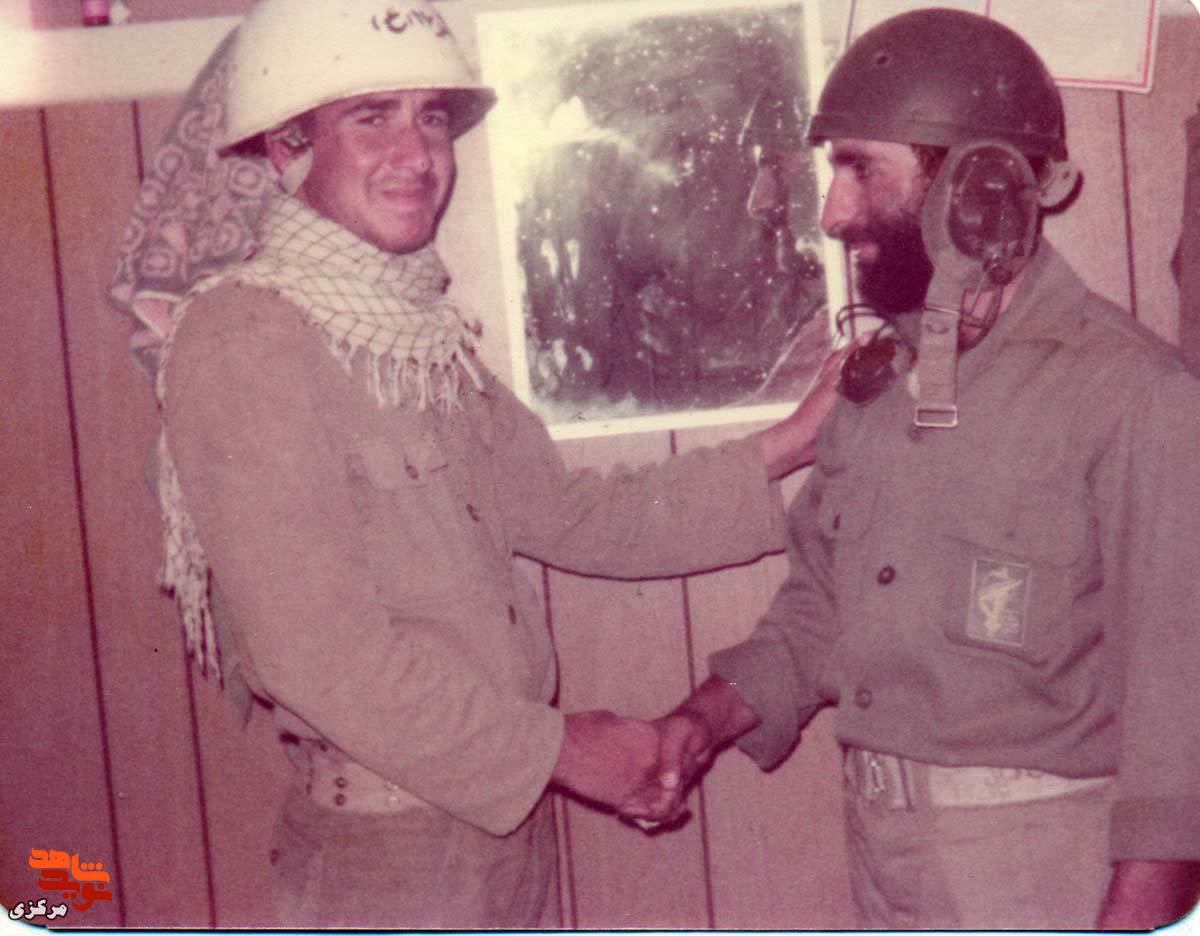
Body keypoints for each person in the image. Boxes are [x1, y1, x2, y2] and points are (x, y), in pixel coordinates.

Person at [107, 0, 846, 928]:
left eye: (430, 117)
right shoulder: (244, 335)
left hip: (493, 830)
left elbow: (575, 514)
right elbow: (317, 654)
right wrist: (562, 752)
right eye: (370, 117)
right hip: (389, 858)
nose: (417, 153)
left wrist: (793, 440)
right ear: (289, 145)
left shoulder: (412, 330)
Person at [640, 8, 1200, 931]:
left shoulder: (1135, 394)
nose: (832, 214)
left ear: (978, 186)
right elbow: (823, 610)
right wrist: (696, 726)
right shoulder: (880, 382)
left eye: (861, 169)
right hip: (882, 847)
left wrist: (1142, 913)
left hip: (1044, 863)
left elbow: (1181, 704)